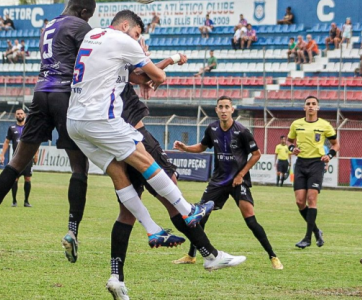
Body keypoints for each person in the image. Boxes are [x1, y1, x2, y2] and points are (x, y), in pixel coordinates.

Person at [67, 9, 212, 258]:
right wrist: (149, 57)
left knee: (118, 174)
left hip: (75, 121)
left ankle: (153, 229)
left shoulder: (93, 36)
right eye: (136, 33)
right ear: (125, 26)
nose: (136, 38)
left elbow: (134, 76)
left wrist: (162, 61)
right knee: (147, 160)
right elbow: (158, 77)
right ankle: (188, 211)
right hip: (101, 118)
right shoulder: (124, 41)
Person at [107, 47, 246, 299]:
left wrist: (162, 65)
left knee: (127, 212)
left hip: (111, 140)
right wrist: (175, 58)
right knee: (171, 194)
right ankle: (210, 255)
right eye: (139, 39)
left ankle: (116, 276)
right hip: (136, 137)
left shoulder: (102, 63)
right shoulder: (120, 55)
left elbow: (144, 74)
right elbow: (149, 74)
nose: (142, 47)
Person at [0, 0, 97, 267]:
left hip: (40, 93)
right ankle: (72, 232)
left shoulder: (48, 26)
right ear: (83, 10)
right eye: (88, 14)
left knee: (18, 160)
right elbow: (90, 62)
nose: (88, 19)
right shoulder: (80, 26)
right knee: (79, 167)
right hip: (65, 95)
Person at [172, 96, 283, 270]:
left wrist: (240, 175)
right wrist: (186, 148)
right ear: (216, 110)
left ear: (232, 110)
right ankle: (191, 255)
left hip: (238, 181)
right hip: (218, 181)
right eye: (220, 107)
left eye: (226, 107)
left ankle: (273, 256)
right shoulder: (212, 128)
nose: (223, 110)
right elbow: (202, 146)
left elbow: (256, 154)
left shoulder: (242, 131)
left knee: (251, 221)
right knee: (198, 218)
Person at [287, 95, 339, 249]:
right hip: (301, 163)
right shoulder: (296, 124)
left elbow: (335, 145)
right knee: (299, 202)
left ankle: (307, 238)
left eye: (313, 104)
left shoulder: (325, 125)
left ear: (318, 107)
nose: (310, 106)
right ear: (304, 107)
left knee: (311, 199)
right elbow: (290, 142)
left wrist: (328, 155)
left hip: (317, 163)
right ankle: (317, 231)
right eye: (308, 104)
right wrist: (292, 149)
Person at [0, 108, 38, 207]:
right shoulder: (11, 128)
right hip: (16, 158)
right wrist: (2, 154)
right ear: (15, 116)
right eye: (18, 114)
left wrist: (36, 154)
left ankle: (26, 201)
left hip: (28, 158)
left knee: (28, 178)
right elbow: (7, 142)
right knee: (15, 179)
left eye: (21, 113)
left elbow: (35, 141)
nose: (20, 115)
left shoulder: (29, 127)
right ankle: (14, 201)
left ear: (24, 115)